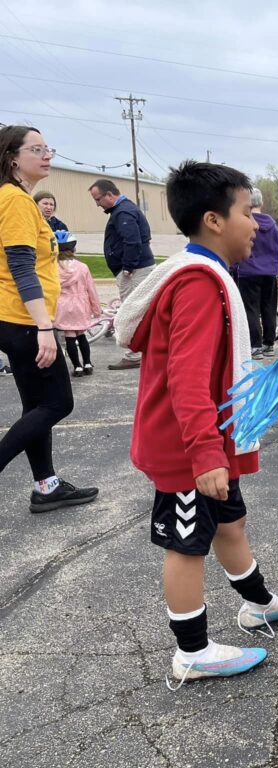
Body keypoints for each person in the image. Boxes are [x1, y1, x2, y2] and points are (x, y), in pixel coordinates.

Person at [113, 160, 278, 686]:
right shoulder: (200, 285)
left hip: (210, 444)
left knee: (231, 523)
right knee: (187, 545)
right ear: (213, 220)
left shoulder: (208, 273)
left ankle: (257, 605)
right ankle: (192, 652)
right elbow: (186, 380)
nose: (258, 223)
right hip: (188, 451)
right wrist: (206, 454)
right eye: (249, 212)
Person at [0, 125, 98, 512]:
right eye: (36, 149)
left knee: (35, 406)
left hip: (15, 317)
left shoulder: (13, 198)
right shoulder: (16, 202)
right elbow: (22, 266)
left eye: (48, 147)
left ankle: (47, 486)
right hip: (24, 320)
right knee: (58, 402)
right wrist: (44, 326)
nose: (47, 155)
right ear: (12, 158)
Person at [88, 178, 155, 370]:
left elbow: (132, 241)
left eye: (98, 199)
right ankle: (143, 351)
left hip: (135, 271)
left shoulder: (123, 211)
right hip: (137, 268)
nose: (97, 204)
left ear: (109, 195)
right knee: (140, 310)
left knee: (132, 312)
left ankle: (134, 354)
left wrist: (128, 267)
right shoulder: (124, 210)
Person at [231, 187, 278, 359]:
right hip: (269, 273)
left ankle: (255, 346)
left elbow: (238, 247)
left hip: (248, 273)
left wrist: (232, 269)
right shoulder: (273, 226)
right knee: (269, 308)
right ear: (261, 202)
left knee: (251, 309)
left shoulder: (246, 223)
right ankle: (269, 343)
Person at [53, 232, 101, 377]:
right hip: (80, 304)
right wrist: (96, 308)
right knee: (81, 334)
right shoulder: (82, 267)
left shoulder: (52, 268)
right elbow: (90, 288)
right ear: (73, 249)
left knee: (69, 337)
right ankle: (87, 363)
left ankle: (77, 367)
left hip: (63, 305)